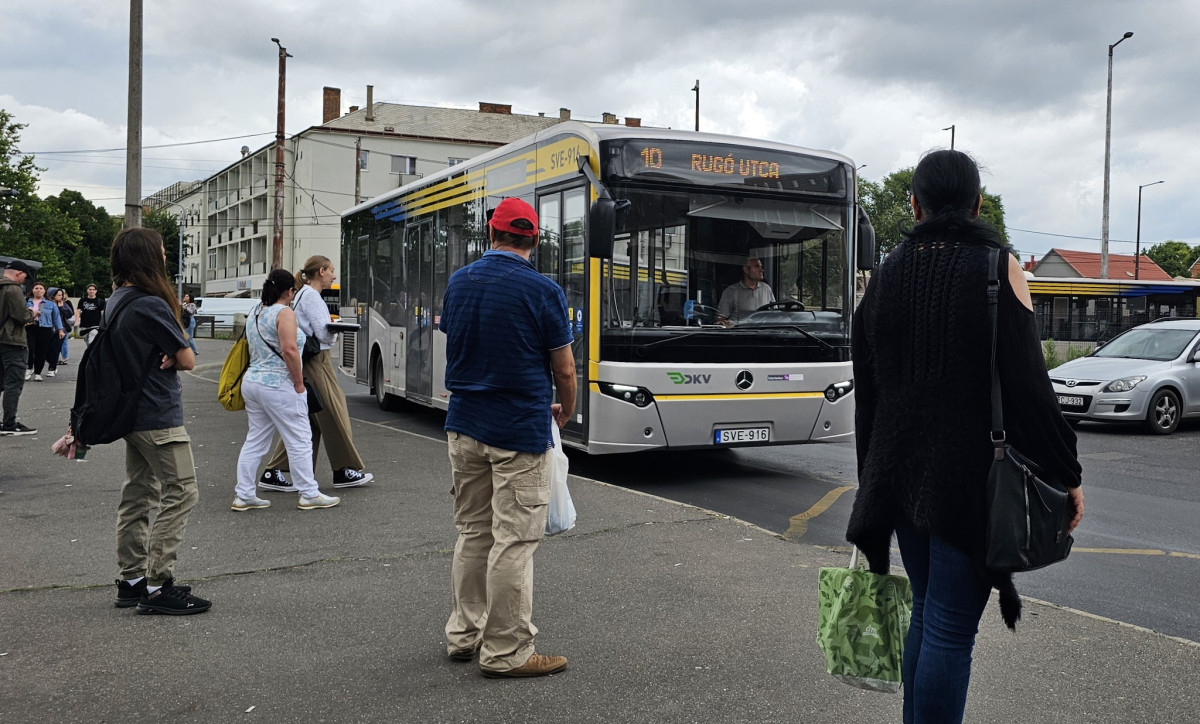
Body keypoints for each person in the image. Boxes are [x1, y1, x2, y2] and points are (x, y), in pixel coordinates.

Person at [846, 150, 1083, 723]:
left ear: (914, 204)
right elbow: (1030, 387)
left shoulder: (885, 274)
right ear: (977, 203)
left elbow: (867, 386)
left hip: (898, 479)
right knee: (950, 629)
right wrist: (1068, 473)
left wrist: (869, 481)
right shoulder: (997, 267)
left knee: (928, 613)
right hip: (967, 482)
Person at [438, 197, 577, 678]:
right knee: (514, 542)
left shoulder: (458, 282)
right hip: (518, 428)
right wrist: (566, 413)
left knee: (473, 533)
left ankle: (463, 635)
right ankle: (506, 652)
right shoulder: (543, 290)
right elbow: (564, 369)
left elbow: (455, 342)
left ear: (491, 236)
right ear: (534, 240)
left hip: (464, 425)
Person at [102, 227, 212, 614]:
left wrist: (171, 348)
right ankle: (158, 584)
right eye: (162, 251)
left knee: (138, 495)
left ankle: (131, 580)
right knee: (182, 491)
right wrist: (174, 349)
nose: (166, 256)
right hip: (158, 416)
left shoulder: (117, 298)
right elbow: (187, 358)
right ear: (149, 257)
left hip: (132, 415)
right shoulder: (151, 302)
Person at [258, 255, 373, 493]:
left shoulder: (301, 294)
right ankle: (343, 469)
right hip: (317, 360)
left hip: (307, 360)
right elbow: (323, 334)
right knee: (333, 410)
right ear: (321, 272)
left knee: (310, 420)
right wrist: (337, 330)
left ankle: (274, 471)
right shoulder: (312, 296)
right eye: (331, 270)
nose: (333, 275)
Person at [232, 269, 341, 512]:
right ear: (289, 291)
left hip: (253, 383)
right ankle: (309, 493)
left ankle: (244, 494)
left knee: (256, 440)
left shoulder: (256, 311)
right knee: (300, 437)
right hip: (279, 384)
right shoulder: (284, 313)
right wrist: (299, 384)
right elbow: (290, 350)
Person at [0, 260, 37, 435]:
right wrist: (32, 314)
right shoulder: (13, 289)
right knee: (13, 383)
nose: (24, 281)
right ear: (18, 273)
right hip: (12, 341)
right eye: (24, 277)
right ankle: (9, 424)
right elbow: (21, 316)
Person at [716, 257, 775, 325]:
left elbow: (775, 313)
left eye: (761, 267)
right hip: (741, 333)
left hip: (763, 332)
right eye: (757, 266)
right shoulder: (731, 291)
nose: (762, 270)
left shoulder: (766, 288)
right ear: (746, 269)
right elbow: (720, 318)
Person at [25, 281, 63, 381]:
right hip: (30, 327)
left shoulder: (50, 304)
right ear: (32, 290)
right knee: (30, 348)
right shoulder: (26, 301)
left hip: (45, 328)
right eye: (36, 288)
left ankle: (38, 372)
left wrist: (60, 329)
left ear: (44, 291)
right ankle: (29, 368)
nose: (38, 290)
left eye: (41, 288)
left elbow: (56, 317)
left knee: (41, 351)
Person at [47, 287, 74, 369]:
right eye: (59, 295)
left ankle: (56, 364)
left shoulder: (64, 304)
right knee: (48, 349)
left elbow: (69, 314)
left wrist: (62, 307)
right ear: (52, 295)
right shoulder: (47, 304)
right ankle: (51, 362)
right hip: (48, 328)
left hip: (62, 328)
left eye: (62, 295)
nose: (61, 297)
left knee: (57, 348)